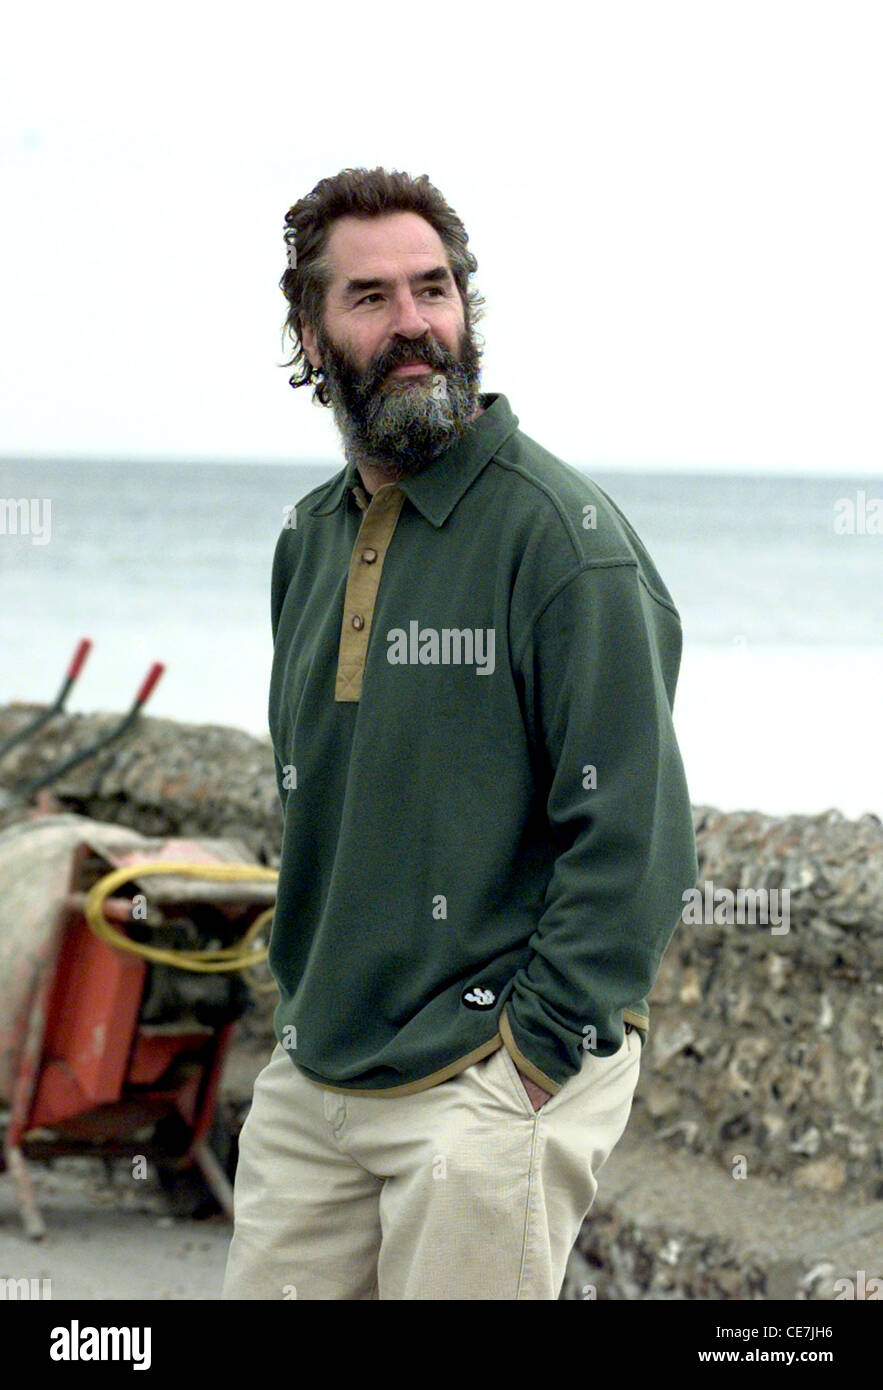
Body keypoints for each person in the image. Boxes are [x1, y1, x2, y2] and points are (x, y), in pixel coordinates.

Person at [221, 167, 698, 1301]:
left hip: (484, 1085)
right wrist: (303, 1016)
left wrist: (530, 1061)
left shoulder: (561, 537)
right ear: (309, 329)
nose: (414, 324)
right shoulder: (308, 540)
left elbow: (633, 834)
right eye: (371, 298)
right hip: (319, 1072)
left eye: (433, 290)